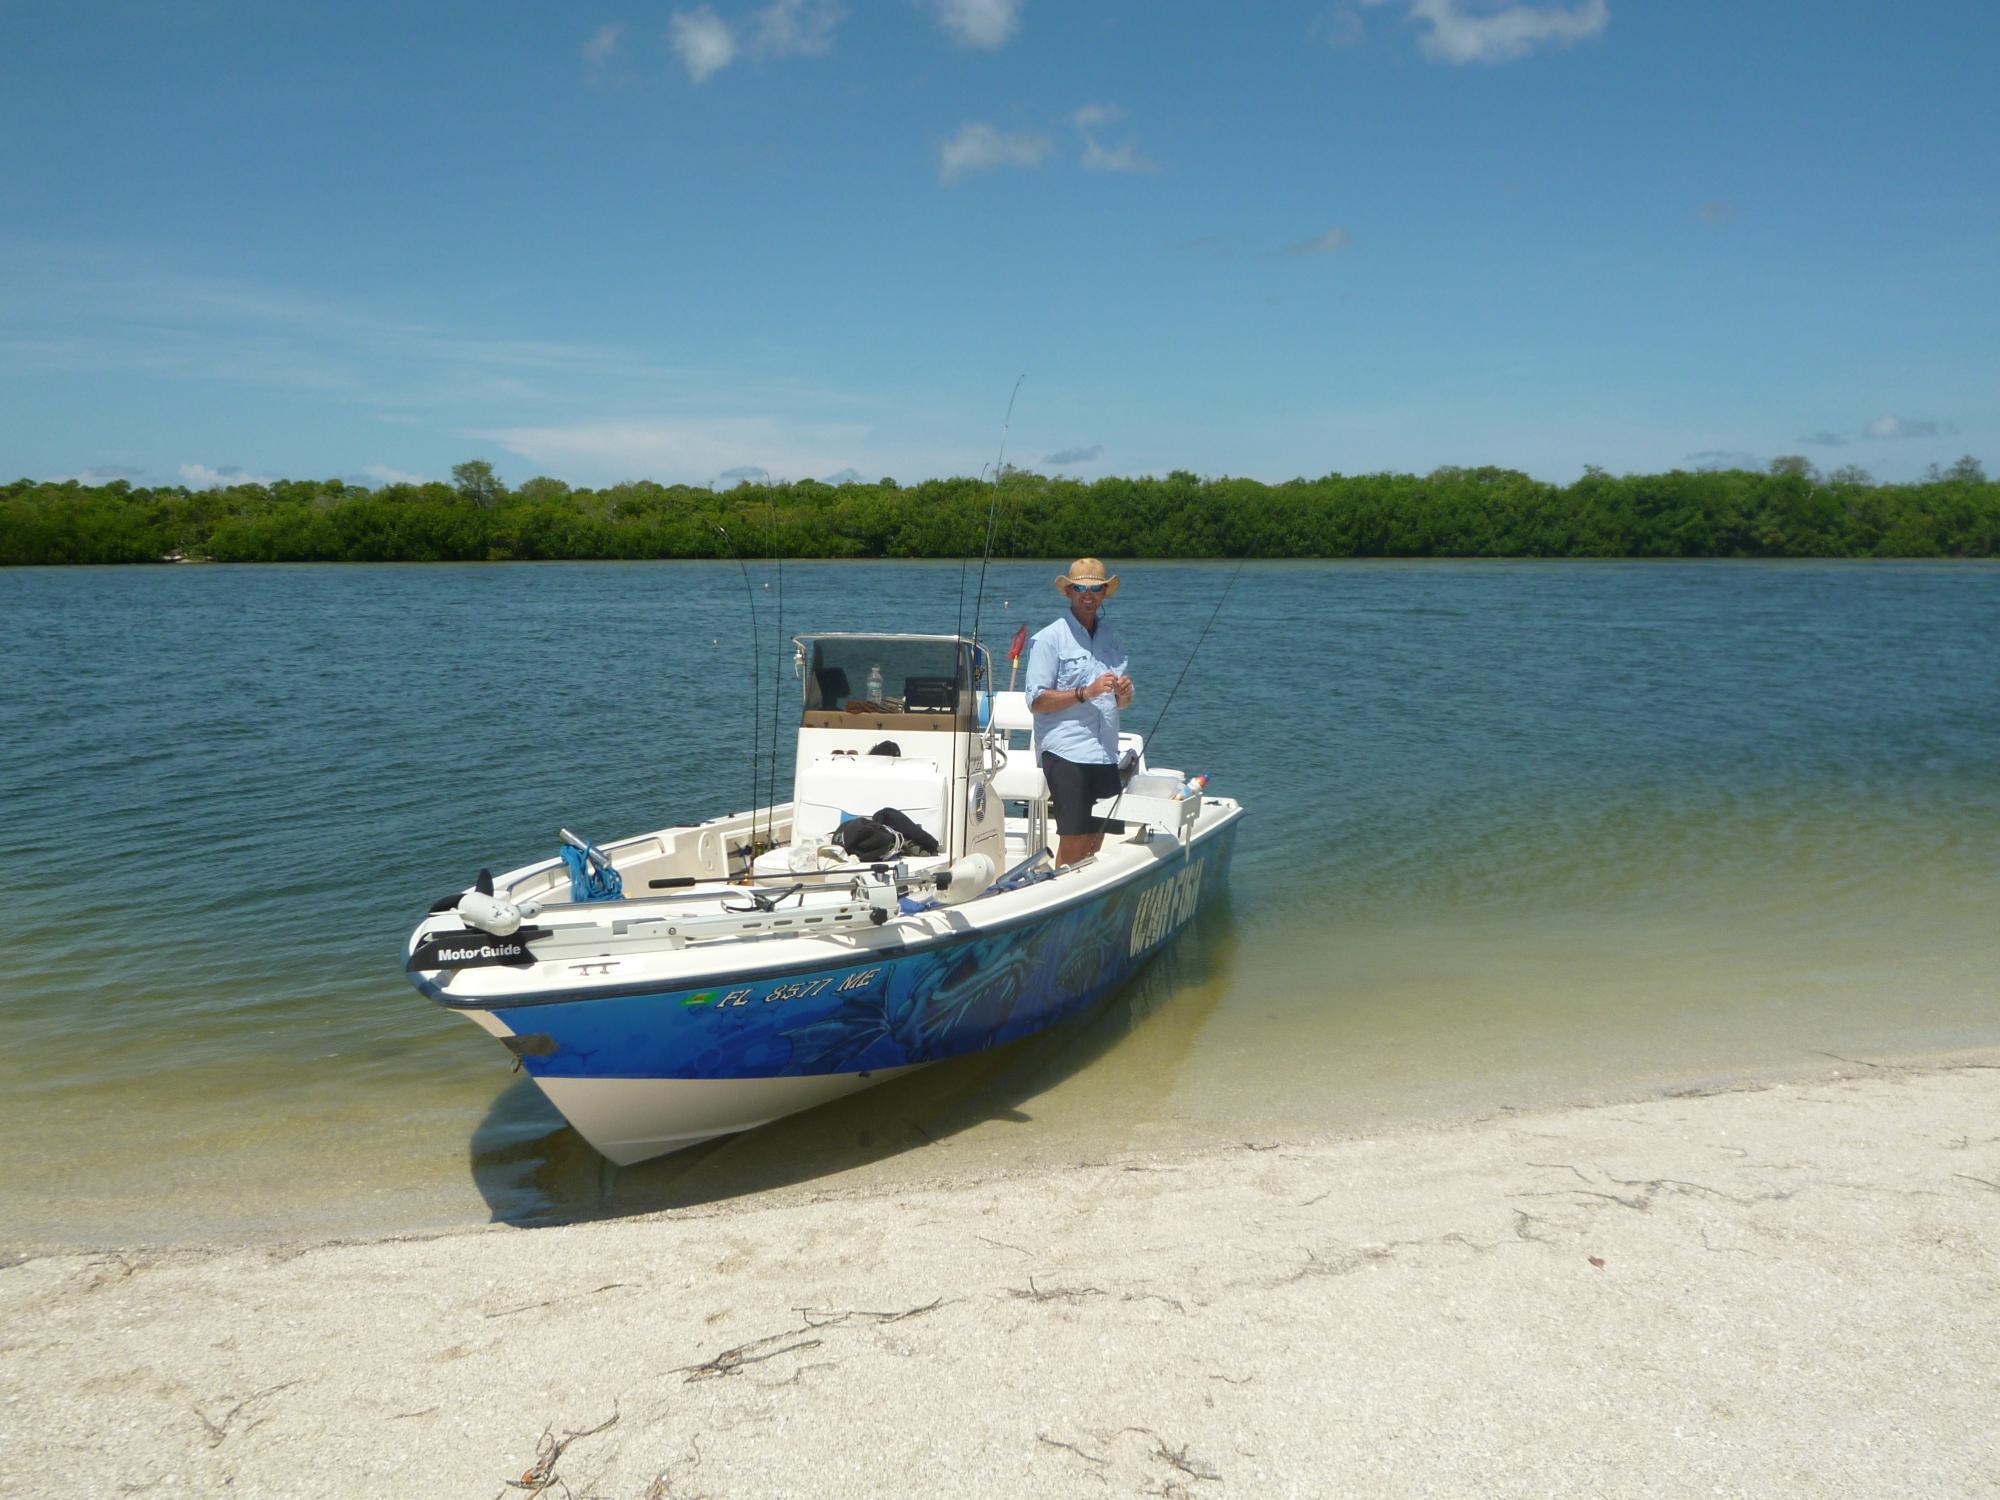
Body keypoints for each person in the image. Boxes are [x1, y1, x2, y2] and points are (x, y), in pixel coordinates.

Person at [1023, 557, 1134, 866]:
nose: (1088, 595)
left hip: (1105, 752)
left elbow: (1118, 703)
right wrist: (1085, 692)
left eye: (1095, 589)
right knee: (1074, 839)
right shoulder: (1049, 639)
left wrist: (1124, 695)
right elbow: (1036, 701)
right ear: (1068, 592)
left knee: (1098, 837)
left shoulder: (1111, 636)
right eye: (1080, 588)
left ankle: (1078, 888)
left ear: (1104, 593)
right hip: (1065, 751)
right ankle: (1058, 889)